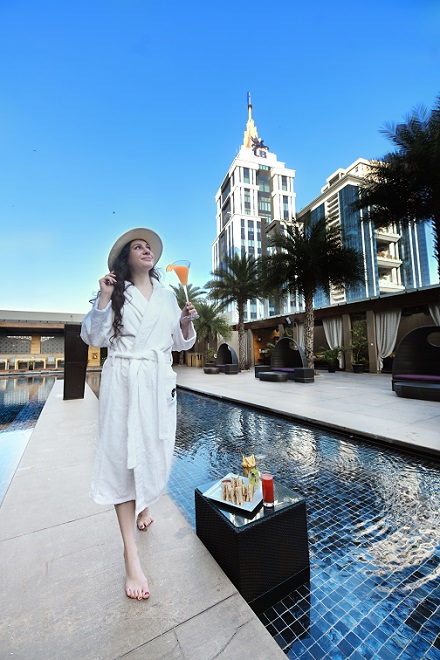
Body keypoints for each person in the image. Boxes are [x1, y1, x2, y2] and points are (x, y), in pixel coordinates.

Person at [80, 227, 196, 600]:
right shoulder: (115, 292)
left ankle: (143, 504)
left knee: (153, 449)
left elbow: (179, 343)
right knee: (121, 459)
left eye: (149, 247)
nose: (146, 250)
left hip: (156, 382)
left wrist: (185, 322)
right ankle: (131, 555)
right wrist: (103, 297)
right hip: (124, 381)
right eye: (138, 247)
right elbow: (93, 337)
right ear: (126, 259)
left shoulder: (167, 295)